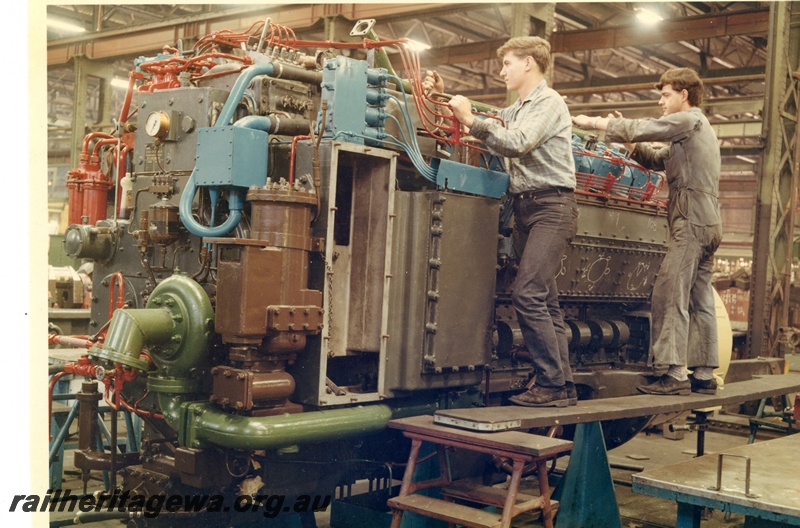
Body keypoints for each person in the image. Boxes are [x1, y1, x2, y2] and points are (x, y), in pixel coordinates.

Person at [424, 36, 578, 407]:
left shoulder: (548, 103)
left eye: (507, 63)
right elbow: (492, 121)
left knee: (528, 294)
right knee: (546, 302)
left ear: (528, 63)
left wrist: (469, 119)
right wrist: (447, 99)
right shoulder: (518, 108)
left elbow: (517, 142)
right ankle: (564, 385)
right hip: (527, 208)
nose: (502, 70)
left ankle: (551, 383)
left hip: (552, 206)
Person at [572, 67, 722, 396]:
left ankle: (674, 373)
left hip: (691, 219)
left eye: (666, 94)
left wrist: (596, 123)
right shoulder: (700, 131)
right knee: (700, 299)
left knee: (670, 294)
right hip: (710, 222)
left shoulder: (690, 120)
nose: (661, 100)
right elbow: (657, 160)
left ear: (684, 95)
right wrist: (628, 143)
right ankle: (704, 374)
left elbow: (649, 128)